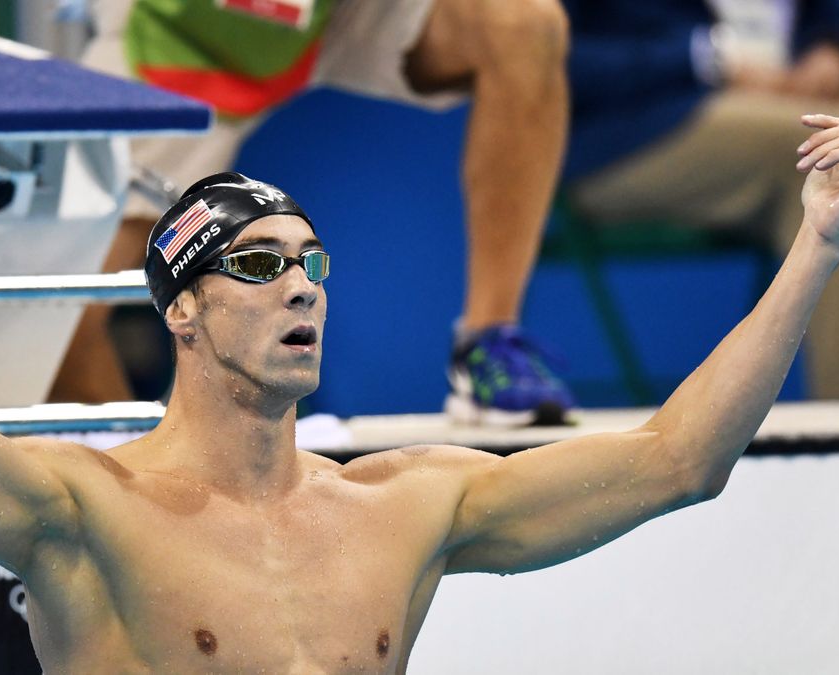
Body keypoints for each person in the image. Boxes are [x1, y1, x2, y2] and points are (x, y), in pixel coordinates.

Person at [0, 54, 839, 672]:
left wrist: (817, 245)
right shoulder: (85, 509)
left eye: (310, 262)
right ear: (186, 314)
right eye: (256, 266)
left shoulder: (408, 504)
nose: (301, 285)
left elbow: (679, 460)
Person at [49, 0, 576, 425]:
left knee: (524, 24)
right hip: (177, 27)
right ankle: (138, 501)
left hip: (328, 14)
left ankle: (487, 341)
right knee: (57, 319)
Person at [562, 0, 839, 399]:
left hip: (790, 98)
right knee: (834, 157)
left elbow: (825, 15)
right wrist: (702, 58)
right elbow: (553, 57)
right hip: (638, 128)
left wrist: (833, 49)